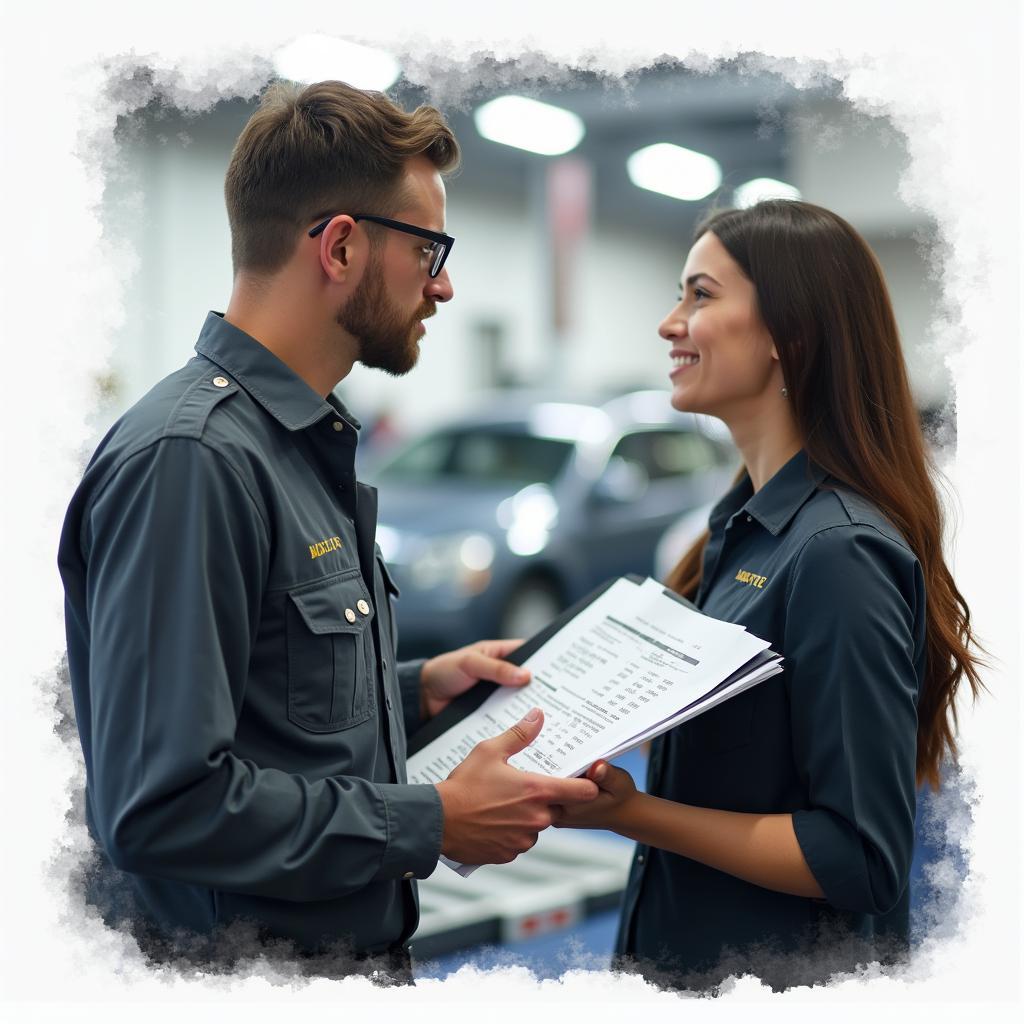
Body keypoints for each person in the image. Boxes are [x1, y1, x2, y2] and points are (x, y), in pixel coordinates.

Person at [57, 79, 598, 978]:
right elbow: (162, 806)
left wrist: (418, 686)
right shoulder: (193, 461)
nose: (446, 284)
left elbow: (262, 689)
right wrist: (433, 821)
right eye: (429, 249)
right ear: (341, 246)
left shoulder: (298, 442)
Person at [553, 199, 983, 991]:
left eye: (700, 295)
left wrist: (632, 814)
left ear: (790, 334)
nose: (669, 323)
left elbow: (859, 856)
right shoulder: (735, 528)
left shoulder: (837, 554)